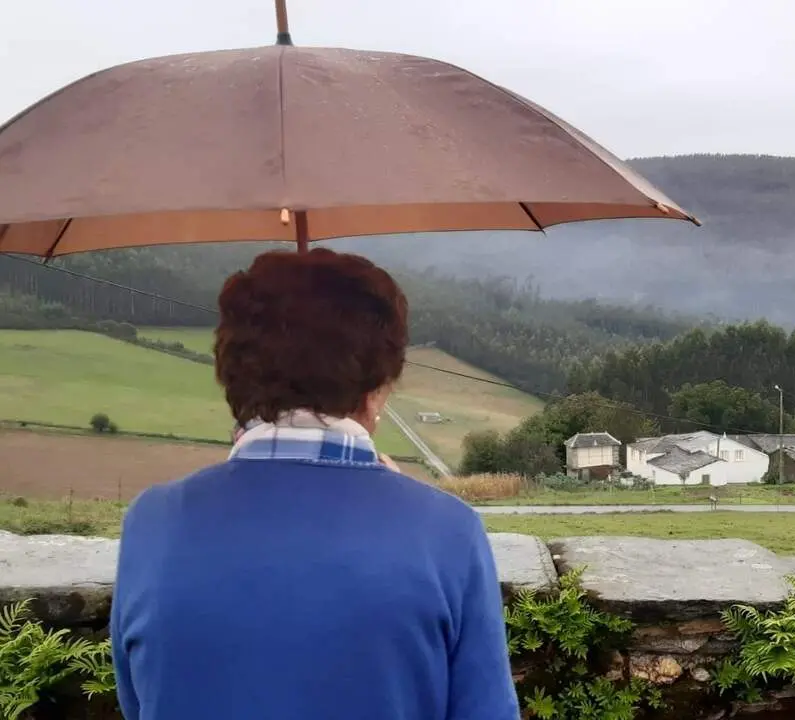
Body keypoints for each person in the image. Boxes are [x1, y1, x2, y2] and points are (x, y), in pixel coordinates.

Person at [110, 249, 518, 720]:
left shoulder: (152, 522)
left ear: (233, 377)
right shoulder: (448, 532)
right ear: (378, 385)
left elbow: (139, 701)